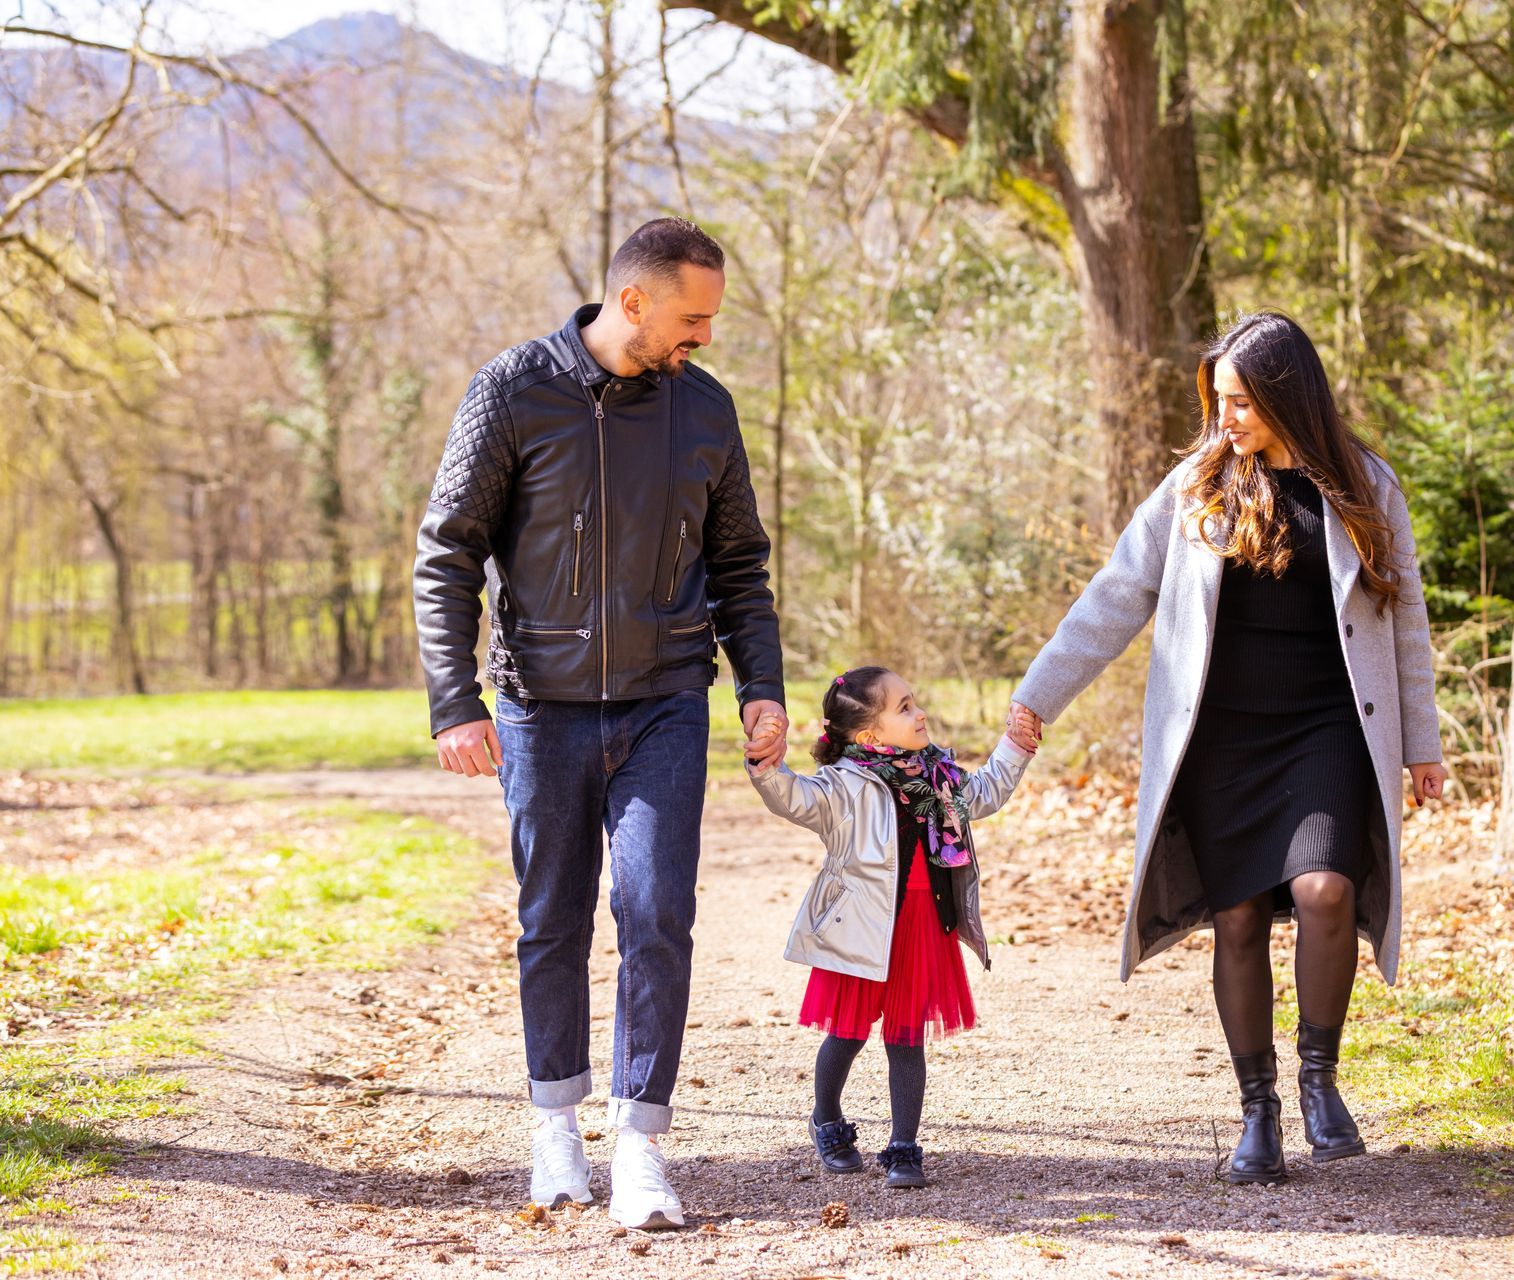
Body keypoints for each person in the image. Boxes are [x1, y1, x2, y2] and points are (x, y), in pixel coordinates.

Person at [412, 216, 789, 1229]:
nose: (704, 336)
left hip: (668, 700)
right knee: (554, 918)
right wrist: (456, 698)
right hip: (540, 707)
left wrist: (764, 683)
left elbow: (741, 563)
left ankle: (640, 1143)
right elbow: (447, 551)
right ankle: (553, 1127)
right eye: (692, 317)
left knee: (657, 908)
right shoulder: (512, 391)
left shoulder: (705, 411)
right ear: (633, 302)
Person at [1009, 311, 1446, 1185]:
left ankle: (1320, 1079)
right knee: (1238, 918)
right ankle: (1259, 1111)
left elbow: (1404, 624)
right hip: (1221, 741)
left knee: (1326, 891)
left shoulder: (1365, 486)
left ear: (1287, 396)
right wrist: (1036, 696)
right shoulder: (1196, 489)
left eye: (1241, 401)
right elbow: (1113, 598)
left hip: (1328, 728)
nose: (1227, 418)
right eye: (1220, 402)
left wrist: (1421, 741)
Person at [747, 668, 1040, 1188]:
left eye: (915, 701)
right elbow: (793, 798)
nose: (919, 712)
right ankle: (827, 1119)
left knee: (907, 1037)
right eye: (904, 707)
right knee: (847, 1033)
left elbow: (987, 793)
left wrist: (1015, 745)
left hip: (924, 925)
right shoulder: (841, 785)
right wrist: (767, 765)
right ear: (869, 736)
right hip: (860, 929)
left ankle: (903, 1145)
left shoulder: (940, 776)